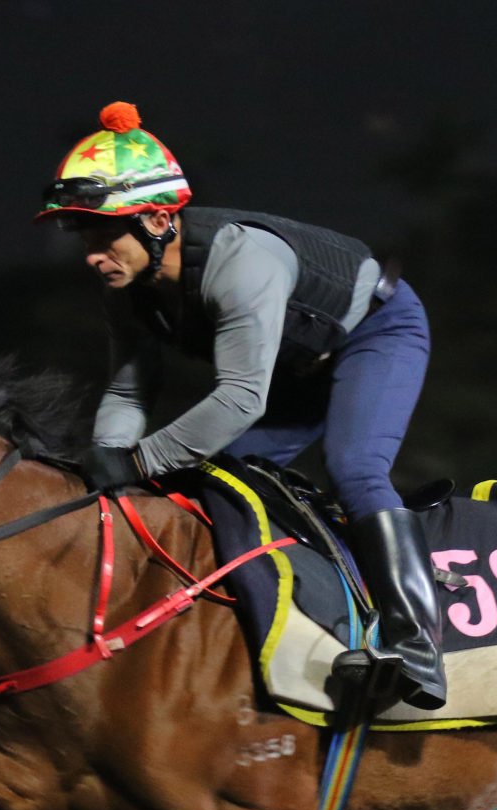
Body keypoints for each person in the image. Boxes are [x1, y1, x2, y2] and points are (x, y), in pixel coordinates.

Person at [37, 102, 446, 712]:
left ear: (155, 219)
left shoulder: (241, 262)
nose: (93, 257)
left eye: (105, 237)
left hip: (373, 333)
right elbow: (127, 392)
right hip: (296, 363)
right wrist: (108, 467)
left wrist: (138, 464)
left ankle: (419, 649)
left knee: (355, 466)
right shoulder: (126, 290)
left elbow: (240, 397)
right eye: (85, 240)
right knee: (221, 483)